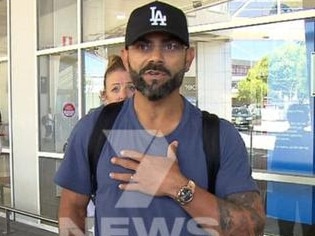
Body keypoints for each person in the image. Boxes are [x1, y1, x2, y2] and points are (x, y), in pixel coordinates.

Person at [55, 2, 265, 236]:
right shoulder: (93, 128)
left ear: (189, 57)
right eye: (143, 46)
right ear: (126, 58)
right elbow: (71, 208)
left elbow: (251, 229)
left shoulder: (220, 136)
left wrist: (177, 186)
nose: (155, 57)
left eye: (171, 46)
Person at [268, 103, 314, 236]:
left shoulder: (282, 138)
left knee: (286, 227)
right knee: (307, 227)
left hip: (288, 189)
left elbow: (275, 165)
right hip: (303, 189)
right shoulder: (310, 138)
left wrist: (276, 189)